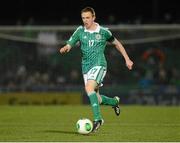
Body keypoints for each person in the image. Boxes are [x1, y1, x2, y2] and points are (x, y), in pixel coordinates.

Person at [59, 7, 133, 132]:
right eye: (83, 18)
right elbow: (70, 42)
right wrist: (67, 47)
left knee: (89, 88)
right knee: (96, 99)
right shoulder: (80, 30)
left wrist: (127, 59)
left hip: (99, 64)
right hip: (86, 67)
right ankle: (114, 102)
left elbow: (117, 44)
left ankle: (98, 120)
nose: (85, 20)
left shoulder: (103, 32)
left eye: (88, 17)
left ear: (94, 17)